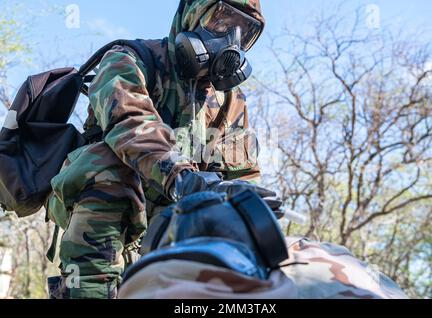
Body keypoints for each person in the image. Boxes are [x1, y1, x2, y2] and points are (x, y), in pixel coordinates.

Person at [45, 0, 276, 299]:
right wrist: (180, 176)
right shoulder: (129, 60)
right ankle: (87, 291)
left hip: (173, 214)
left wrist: (248, 205)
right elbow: (130, 123)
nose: (231, 39)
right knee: (110, 167)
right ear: (193, 16)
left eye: (243, 32)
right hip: (99, 197)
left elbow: (241, 175)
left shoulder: (231, 102)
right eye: (222, 22)